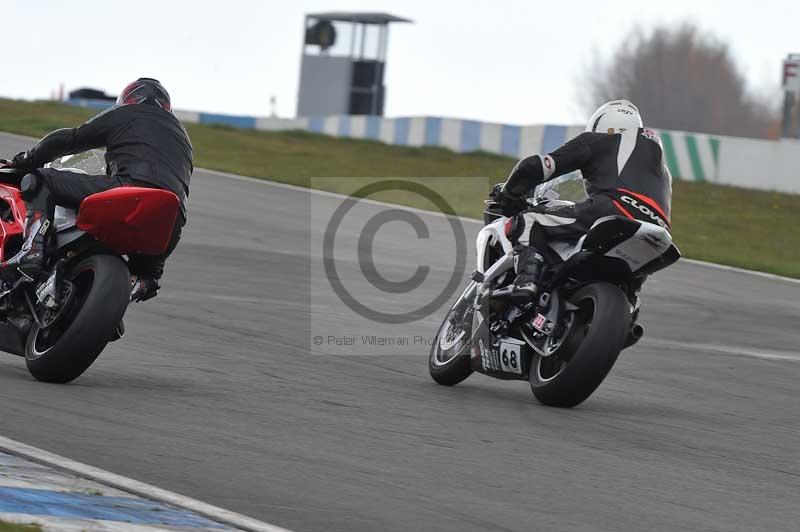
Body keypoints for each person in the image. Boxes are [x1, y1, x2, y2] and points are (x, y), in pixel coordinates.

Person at [5, 78, 193, 302]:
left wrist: (28, 159)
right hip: (172, 218)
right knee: (149, 275)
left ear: (129, 99)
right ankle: (134, 288)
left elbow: (70, 139)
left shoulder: (126, 113)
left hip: (130, 189)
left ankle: (32, 250)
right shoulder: (184, 139)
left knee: (40, 180)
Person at [492, 99, 672, 300]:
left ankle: (527, 281)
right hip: (659, 231)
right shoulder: (663, 172)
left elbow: (538, 166)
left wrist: (509, 191)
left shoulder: (598, 141)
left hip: (614, 208)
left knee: (528, 220)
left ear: (600, 125)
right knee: (629, 290)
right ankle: (628, 311)